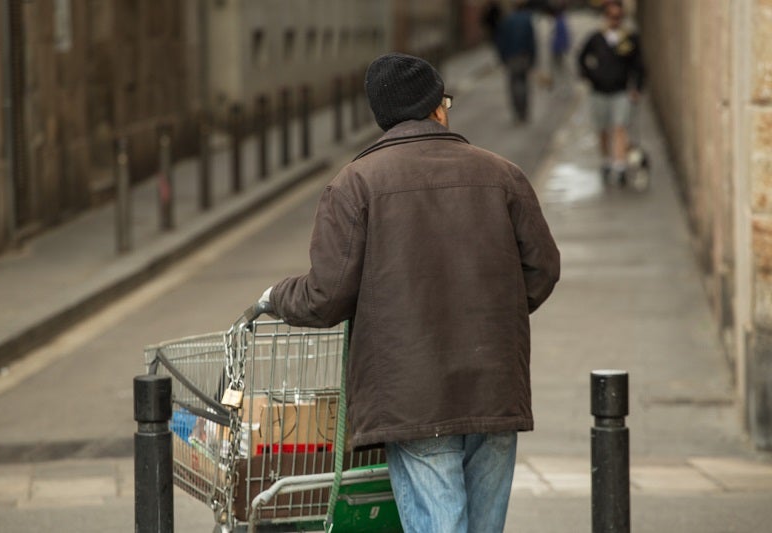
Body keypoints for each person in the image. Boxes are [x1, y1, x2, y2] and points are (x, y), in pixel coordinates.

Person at [255, 52, 560, 533]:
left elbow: (325, 295)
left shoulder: (355, 185)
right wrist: (491, 316)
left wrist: (274, 296)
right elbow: (542, 268)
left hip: (414, 394)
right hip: (494, 384)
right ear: (437, 108)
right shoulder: (503, 175)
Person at [577, 0, 644, 185]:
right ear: (605, 17)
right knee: (603, 129)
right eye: (611, 17)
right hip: (599, 91)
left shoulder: (629, 39)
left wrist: (637, 87)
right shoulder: (596, 38)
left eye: (618, 17)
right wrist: (590, 76)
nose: (615, 20)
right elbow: (581, 58)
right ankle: (606, 160)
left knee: (620, 127)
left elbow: (638, 65)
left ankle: (620, 165)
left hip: (620, 91)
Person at [495, 0, 537, 122]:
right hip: (524, 56)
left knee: (514, 85)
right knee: (523, 83)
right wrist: (533, 58)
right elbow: (531, 41)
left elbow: (500, 41)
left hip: (511, 57)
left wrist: (502, 57)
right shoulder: (527, 20)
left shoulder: (506, 21)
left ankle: (518, 111)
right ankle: (524, 111)